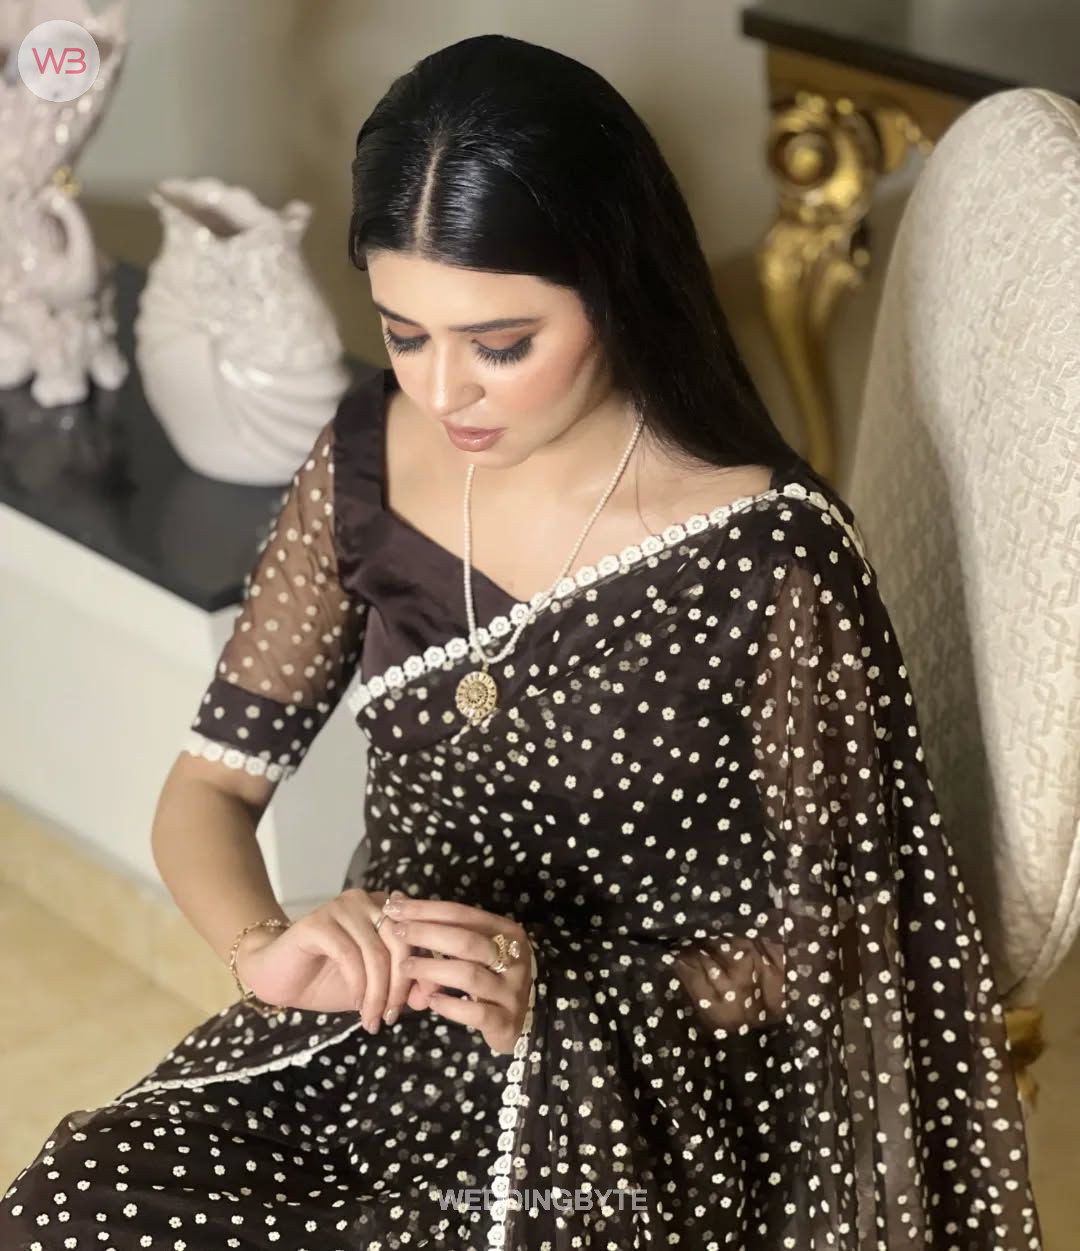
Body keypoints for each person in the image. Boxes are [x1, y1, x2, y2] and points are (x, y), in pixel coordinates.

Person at [1, 32, 1043, 1251]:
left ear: (615, 287)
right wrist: (267, 949)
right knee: (68, 1208)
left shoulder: (769, 559)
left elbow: (849, 943)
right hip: (383, 1051)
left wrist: (561, 993)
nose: (445, 393)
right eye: (404, 333)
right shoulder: (366, 461)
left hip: (645, 1100)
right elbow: (212, 789)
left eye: (501, 345)